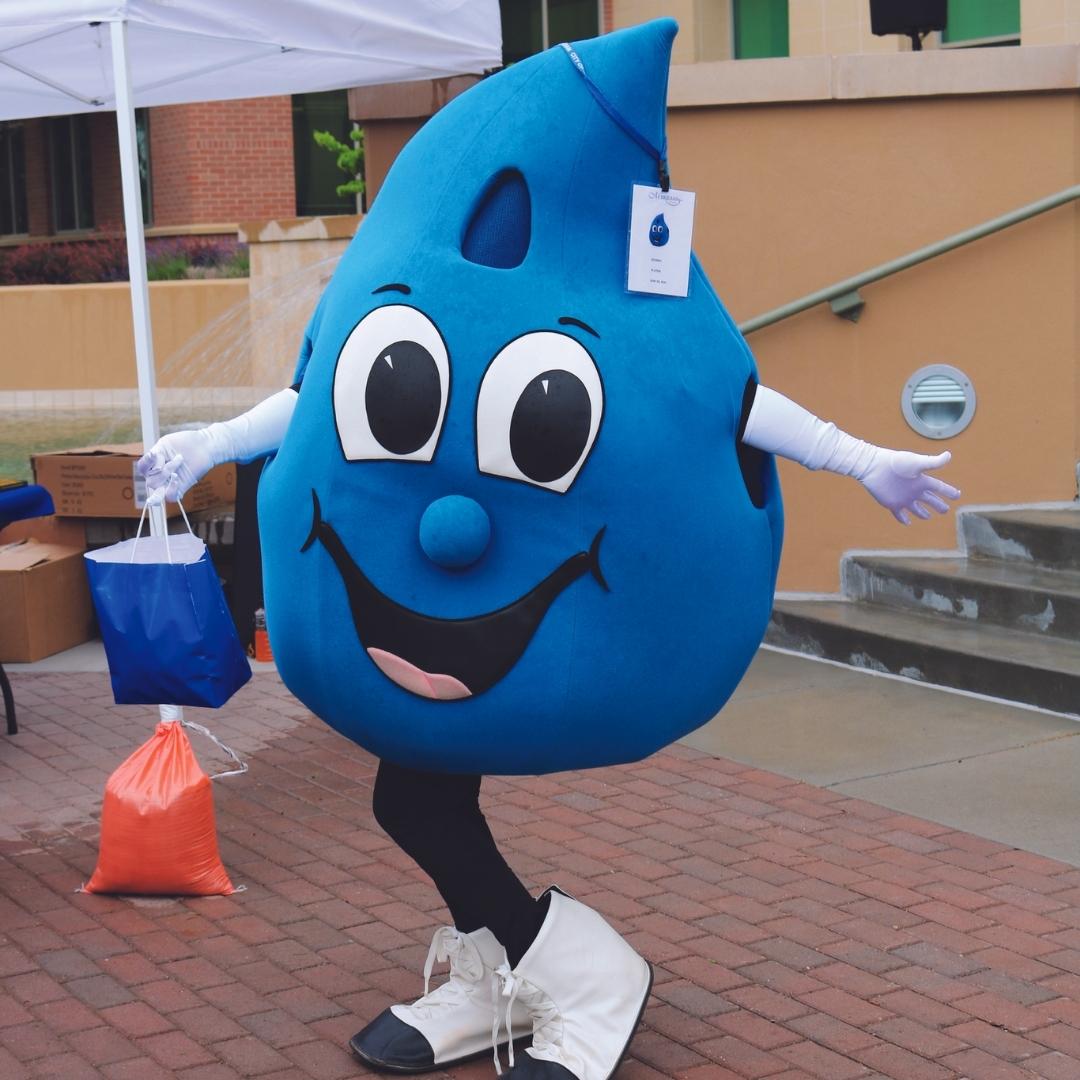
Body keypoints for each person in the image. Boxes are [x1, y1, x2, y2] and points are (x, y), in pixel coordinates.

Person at [139, 20, 959, 1080]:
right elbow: (313, 397)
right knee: (416, 792)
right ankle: (504, 966)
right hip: (436, 617)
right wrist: (209, 441)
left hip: (523, 594)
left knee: (414, 796)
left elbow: (722, 398)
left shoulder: (630, 276)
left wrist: (857, 460)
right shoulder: (415, 277)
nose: (451, 530)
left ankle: (585, 973)